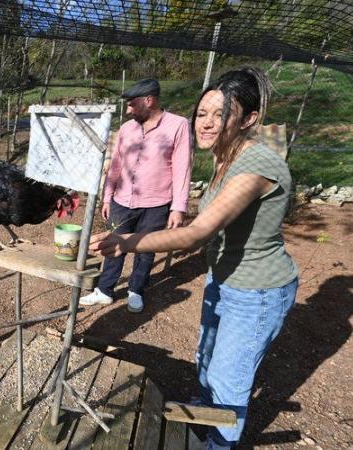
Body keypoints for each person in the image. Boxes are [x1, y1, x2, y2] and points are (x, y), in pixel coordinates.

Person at [89, 67, 298, 449]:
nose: (206, 123)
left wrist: (126, 242)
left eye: (221, 114)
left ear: (249, 119)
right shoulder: (226, 156)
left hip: (258, 290)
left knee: (230, 378)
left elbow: (198, 232)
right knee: (206, 356)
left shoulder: (257, 166)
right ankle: (202, 413)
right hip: (225, 277)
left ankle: (219, 442)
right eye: (202, 113)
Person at [80, 78, 192, 312]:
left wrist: (178, 207)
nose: (128, 110)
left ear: (149, 101)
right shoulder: (126, 129)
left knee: (145, 249)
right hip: (122, 200)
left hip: (157, 203)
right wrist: (107, 196)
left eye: (132, 105)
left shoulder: (178, 125)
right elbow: (116, 165)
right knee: (113, 244)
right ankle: (105, 290)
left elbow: (183, 167)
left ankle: (136, 290)